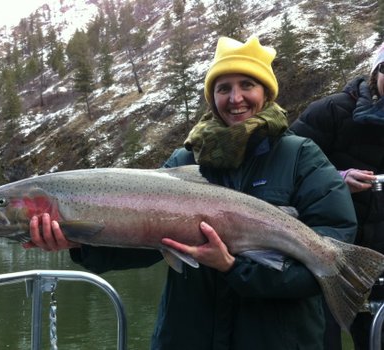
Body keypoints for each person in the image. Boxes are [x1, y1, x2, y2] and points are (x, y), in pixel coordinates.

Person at [24, 36, 357, 350]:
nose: (235, 98)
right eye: (223, 88)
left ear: (267, 93)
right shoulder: (184, 161)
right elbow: (145, 246)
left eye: (247, 85)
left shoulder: (301, 156)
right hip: (188, 336)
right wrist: (81, 242)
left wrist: (233, 267)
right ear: (212, 97)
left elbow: (332, 238)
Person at [289, 42, 384, 350]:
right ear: (375, 73)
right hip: (328, 255)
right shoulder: (331, 111)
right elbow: (285, 167)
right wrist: (338, 179)